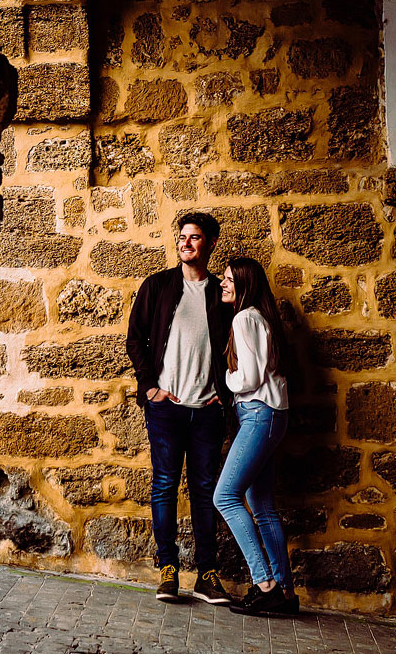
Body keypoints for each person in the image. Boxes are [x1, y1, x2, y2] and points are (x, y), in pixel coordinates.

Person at [124, 210, 235, 605]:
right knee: (165, 487)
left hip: (207, 410)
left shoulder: (220, 294)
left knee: (206, 492)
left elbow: (234, 346)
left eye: (195, 237)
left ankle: (207, 576)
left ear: (210, 244)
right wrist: (151, 388)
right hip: (166, 409)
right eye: (182, 236)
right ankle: (168, 571)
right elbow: (134, 340)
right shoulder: (157, 286)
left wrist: (226, 393)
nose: (185, 243)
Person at [212, 256, 298, 615]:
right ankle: (286, 596)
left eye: (229, 279)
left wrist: (227, 382)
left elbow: (248, 379)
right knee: (262, 507)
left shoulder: (245, 318)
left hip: (258, 415)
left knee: (225, 497)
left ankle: (264, 583)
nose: (222, 284)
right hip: (273, 416)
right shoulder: (263, 318)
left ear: (244, 284)